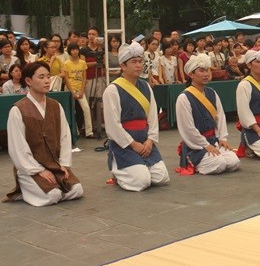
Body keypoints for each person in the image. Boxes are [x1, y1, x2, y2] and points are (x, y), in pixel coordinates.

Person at [3, 62, 83, 206]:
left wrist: (63, 165)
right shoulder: (18, 110)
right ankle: (25, 189)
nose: (47, 80)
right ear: (28, 81)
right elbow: (18, 147)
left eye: (48, 76)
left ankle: (44, 189)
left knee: (77, 190)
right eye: (41, 77)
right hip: (30, 168)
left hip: (55, 165)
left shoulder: (55, 106)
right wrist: (39, 170)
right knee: (52, 195)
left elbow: (65, 137)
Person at [102, 42, 170, 191]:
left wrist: (150, 141)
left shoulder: (145, 86)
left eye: (140, 61)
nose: (138, 65)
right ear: (123, 66)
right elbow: (113, 125)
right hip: (124, 144)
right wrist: (133, 144)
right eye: (134, 62)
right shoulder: (112, 90)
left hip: (145, 141)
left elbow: (152, 117)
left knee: (162, 178)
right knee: (142, 182)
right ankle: (118, 170)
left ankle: (138, 168)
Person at [175, 54, 240, 175]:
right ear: (191, 74)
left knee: (234, 162)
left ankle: (213, 155)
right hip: (196, 146)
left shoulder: (212, 93)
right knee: (220, 164)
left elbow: (220, 118)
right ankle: (192, 160)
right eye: (201, 70)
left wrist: (222, 138)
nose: (206, 74)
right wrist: (204, 144)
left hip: (213, 140)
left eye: (207, 70)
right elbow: (187, 128)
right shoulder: (184, 98)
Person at [64, 43, 93, 138]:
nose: (75, 51)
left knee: (86, 109)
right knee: (72, 111)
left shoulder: (82, 63)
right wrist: (72, 91)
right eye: (72, 50)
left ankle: (89, 132)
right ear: (69, 51)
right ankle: (74, 131)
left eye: (76, 49)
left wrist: (81, 91)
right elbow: (66, 79)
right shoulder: (66, 63)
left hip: (80, 89)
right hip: (69, 89)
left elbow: (85, 78)